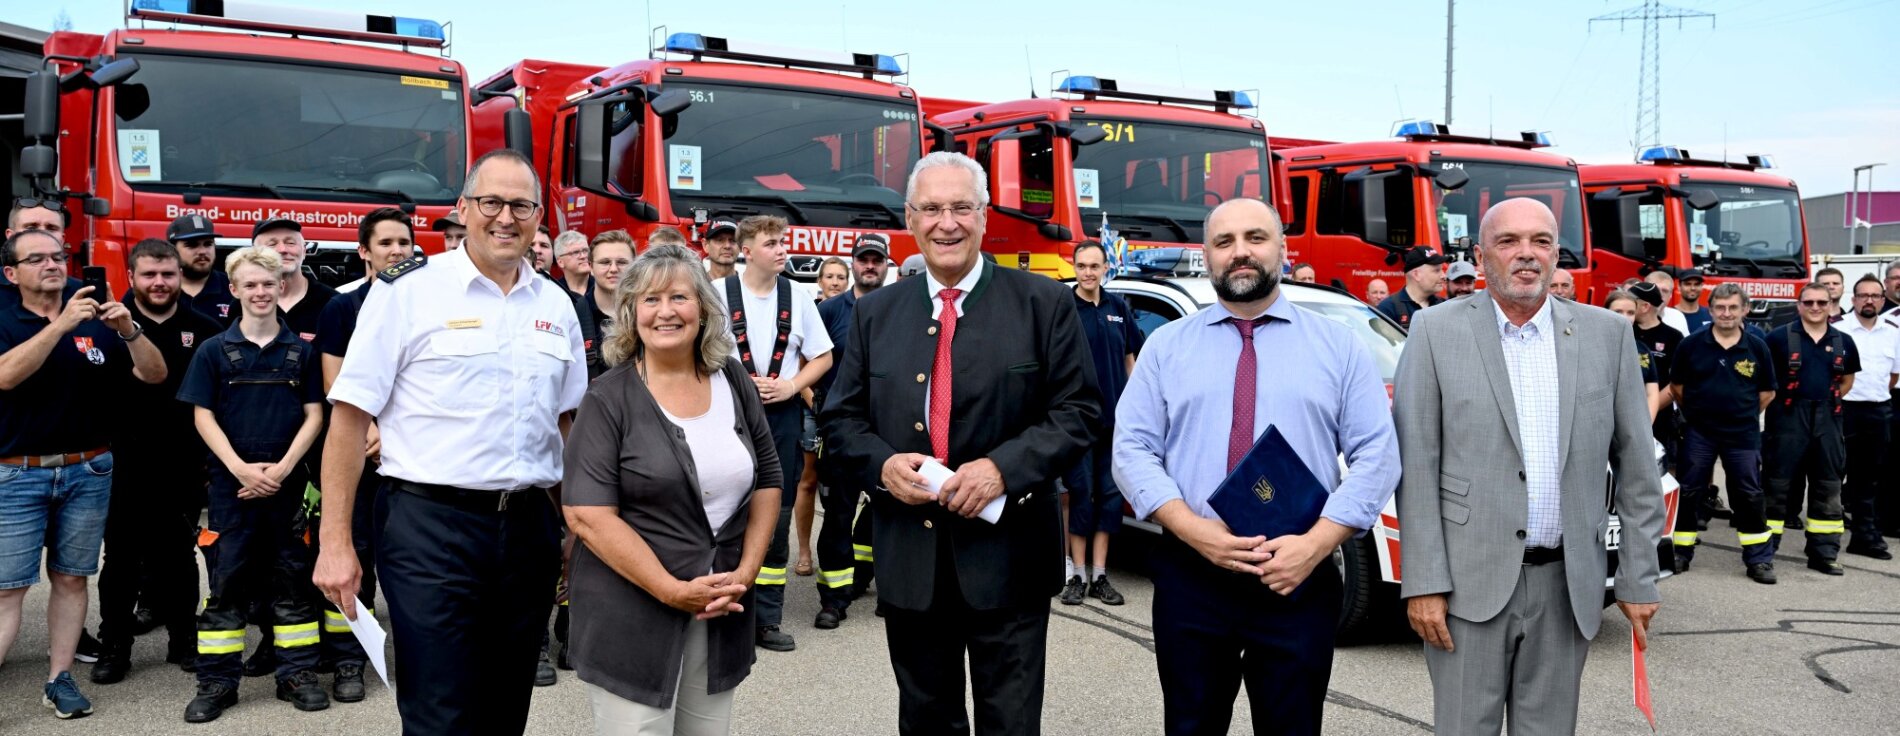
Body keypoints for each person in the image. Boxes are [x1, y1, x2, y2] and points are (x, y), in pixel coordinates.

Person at [821, 152, 1099, 735]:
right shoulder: (875, 314)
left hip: (1011, 559)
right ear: (910, 218)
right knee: (926, 720)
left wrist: (1002, 470)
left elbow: (1078, 414)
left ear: (983, 215)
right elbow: (841, 420)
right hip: (910, 561)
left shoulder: (1043, 303)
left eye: (960, 208)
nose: (946, 223)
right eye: (931, 209)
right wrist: (882, 466)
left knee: (1011, 723)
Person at [313, 149, 588, 734]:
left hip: (528, 532)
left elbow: (568, 425)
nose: (506, 218)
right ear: (463, 209)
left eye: (522, 205)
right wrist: (335, 542)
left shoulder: (556, 304)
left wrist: (575, 525)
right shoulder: (408, 291)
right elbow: (348, 419)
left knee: (507, 704)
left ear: (540, 217)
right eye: (492, 202)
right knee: (440, 711)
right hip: (430, 528)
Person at [1113, 200, 1397, 734]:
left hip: (1298, 575)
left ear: (1283, 249)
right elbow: (1131, 448)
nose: (1240, 252)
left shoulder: (1339, 346)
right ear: (1207, 257)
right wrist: (1193, 530)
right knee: (1191, 726)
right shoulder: (1166, 347)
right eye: (1224, 242)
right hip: (1192, 572)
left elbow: (1378, 456)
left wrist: (1315, 545)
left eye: (1255, 237)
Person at [1394, 198, 1664, 735]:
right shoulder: (1434, 330)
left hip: (1568, 587)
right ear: (1479, 255)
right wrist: (1422, 581)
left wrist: (1638, 576)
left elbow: (1637, 469)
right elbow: (1416, 465)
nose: (1527, 255)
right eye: (1508, 242)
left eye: (1541, 242)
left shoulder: (1606, 336)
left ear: (1555, 254)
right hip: (1465, 592)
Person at [562, 244, 783, 735]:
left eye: (679, 297)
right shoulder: (607, 400)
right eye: (650, 300)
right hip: (632, 611)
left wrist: (746, 570)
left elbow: (768, 476)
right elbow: (586, 514)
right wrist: (671, 590)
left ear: (703, 308)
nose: (666, 312)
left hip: (721, 603)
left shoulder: (732, 380)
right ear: (630, 313)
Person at [0, 228, 165, 719]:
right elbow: (5, 375)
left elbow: (154, 375)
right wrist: (59, 325)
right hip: (17, 474)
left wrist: (129, 329)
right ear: (12, 273)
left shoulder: (94, 315)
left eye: (59, 257)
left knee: (72, 580)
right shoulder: (8, 317)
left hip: (88, 469)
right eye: (38, 260)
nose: (53, 265)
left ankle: (59, 679)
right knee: (8, 588)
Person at [176, 246, 329, 722]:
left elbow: (315, 415)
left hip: (286, 486)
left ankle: (296, 675)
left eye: (269, 283)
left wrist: (282, 469)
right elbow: (202, 416)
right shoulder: (212, 351)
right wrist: (241, 469)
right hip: (232, 488)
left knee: (293, 583)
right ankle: (218, 683)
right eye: (251, 284)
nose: (261, 292)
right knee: (226, 585)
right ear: (235, 290)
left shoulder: (302, 352)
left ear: (280, 287)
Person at [92, 239, 222, 685]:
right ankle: (115, 646)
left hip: (183, 461)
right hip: (121, 461)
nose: (160, 283)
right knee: (121, 560)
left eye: (167, 274)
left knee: (179, 558)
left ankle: (184, 640)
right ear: (130, 278)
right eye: (149, 274)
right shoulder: (106, 327)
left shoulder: (205, 329)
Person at [309, 207, 415, 703]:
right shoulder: (343, 307)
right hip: (362, 452)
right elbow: (335, 383)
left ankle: (417, 655)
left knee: (408, 562)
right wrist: (369, 429)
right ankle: (350, 660)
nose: (398, 251)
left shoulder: (426, 302)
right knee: (358, 556)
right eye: (387, 243)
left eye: (404, 243)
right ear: (363, 252)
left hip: (408, 457)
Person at [712, 215, 833, 651]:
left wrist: (791, 386)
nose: (782, 249)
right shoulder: (717, 294)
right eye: (772, 243)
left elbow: (823, 356)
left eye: (783, 242)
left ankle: (767, 619)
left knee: (776, 513)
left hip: (780, 418)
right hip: (726, 416)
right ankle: (724, 610)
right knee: (727, 509)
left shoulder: (797, 296)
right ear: (747, 250)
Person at [1666, 283, 1777, 580]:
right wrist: (1699, 415)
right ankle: (1680, 551)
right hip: (1699, 432)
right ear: (1711, 309)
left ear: (1745, 309)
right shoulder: (1691, 345)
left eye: (1732, 307)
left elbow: (1767, 393)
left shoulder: (1757, 346)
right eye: (1720, 307)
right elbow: (1677, 389)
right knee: (1689, 491)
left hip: (1742, 434)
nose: (1726, 313)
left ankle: (1758, 559)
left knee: (1749, 494)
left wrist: (1742, 415)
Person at [1058, 241, 1143, 608]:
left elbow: (1130, 362)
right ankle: (1075, 576)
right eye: (1082, 266)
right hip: (1078, 424)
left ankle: (1100, 575)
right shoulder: (1064, 309)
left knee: (1109, 500)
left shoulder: (1118, 307)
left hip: (1114, 426)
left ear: (1106, 267)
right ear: (1073, 268)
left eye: (1095, 266)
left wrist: (1138, 411)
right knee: (1081, 496)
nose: (1088, 272)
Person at [811, 233, 890, 623]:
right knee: (838, 514)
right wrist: (815, 402)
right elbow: (807, 361)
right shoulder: (829, 311)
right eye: (864, 259)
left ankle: (869, 578)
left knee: (888, 509)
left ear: (886, 265)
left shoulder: (899, 308)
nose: (870, 265)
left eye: (877, 260)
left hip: (886, 433)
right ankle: (834, 598)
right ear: (853, 263)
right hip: (841, 431)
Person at [1762, 283, 1861, 576]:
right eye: (1809, 302)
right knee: (1776, 487)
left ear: (1832, 304)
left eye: (1822, 302)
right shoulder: (1777, 339)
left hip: (1829, 420)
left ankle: (1824, 553)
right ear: (1799, 305)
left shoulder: (1844, 341)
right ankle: (1763, 552)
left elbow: (1847, 381)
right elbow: (1765, 383)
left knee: (1828, 488)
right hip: (1788, 419)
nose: (1816, 307)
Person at [1839, 275, 1897, 560]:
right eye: (1863, 295)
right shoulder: (1838, 330)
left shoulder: (1893, 332)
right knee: (1832, 474)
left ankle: (1864, 536)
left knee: (1869, 478)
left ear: (1883, 300)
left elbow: (1894, 375)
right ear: (1854, 300)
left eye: (1875, 296)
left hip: (1878, 411)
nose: (1869, 300)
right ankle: (1823, 538)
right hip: (1844, 411)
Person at [252, 219, 336, 344]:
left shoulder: (333, 303)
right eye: (271, 244)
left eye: (290, 243)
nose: (282, 249)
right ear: (254, 255)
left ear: (304, 251)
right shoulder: (243, 304)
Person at [1630, 281, 1685, 466]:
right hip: (1624, 414)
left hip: (1660, 417)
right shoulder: (1624, 331)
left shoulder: (1674, 337)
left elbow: (1677, 381)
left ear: (1645, 306)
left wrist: (1648, 410)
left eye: (1631, 301)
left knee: (1661, 467)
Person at [576, 230, 637, 379]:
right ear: (590, 267)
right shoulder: (573, 314)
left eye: (622, 262)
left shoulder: (647, 312)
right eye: (605, 262)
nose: (614, 269)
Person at [1603, 291, 1669, 421]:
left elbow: (1651, 393)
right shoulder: (1591, 346)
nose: (1625, 317)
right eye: (1618, 312)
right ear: (1605, 312)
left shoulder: (1643, 350)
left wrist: (1645, 425)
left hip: (1633, 425)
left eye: (1631, 313)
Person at [167, 214, 239, 325]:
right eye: (192, 245)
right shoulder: (159, 289)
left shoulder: (234, 288)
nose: (202, 251)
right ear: (172, 249)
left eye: (208, 244)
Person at [1375, 246, 1446, 329]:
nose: (1444, 276)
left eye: (1442, 270)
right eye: (1437, 270)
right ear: (1416, 275)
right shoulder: (1388, 309)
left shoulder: (1444, 306)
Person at [1644, 269, 1691, 335]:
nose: (1659, 294)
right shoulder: (1631, 314)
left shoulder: (1677, 317)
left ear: (1670, 295)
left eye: (1664, 291)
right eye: (1655, 289)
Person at [556, 230, 592, 300]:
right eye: (576, 252)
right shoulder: (554, 291)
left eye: (585, 250)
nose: (583, 256)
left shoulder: (602, 287)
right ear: (560, 262)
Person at [1677, 268, 1712, 333]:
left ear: (1702, 286)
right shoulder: (1670, 315)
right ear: (1679, 286)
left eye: (1697, 284)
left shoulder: (1711, 314)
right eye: (1688, 284)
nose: (1692, 288)